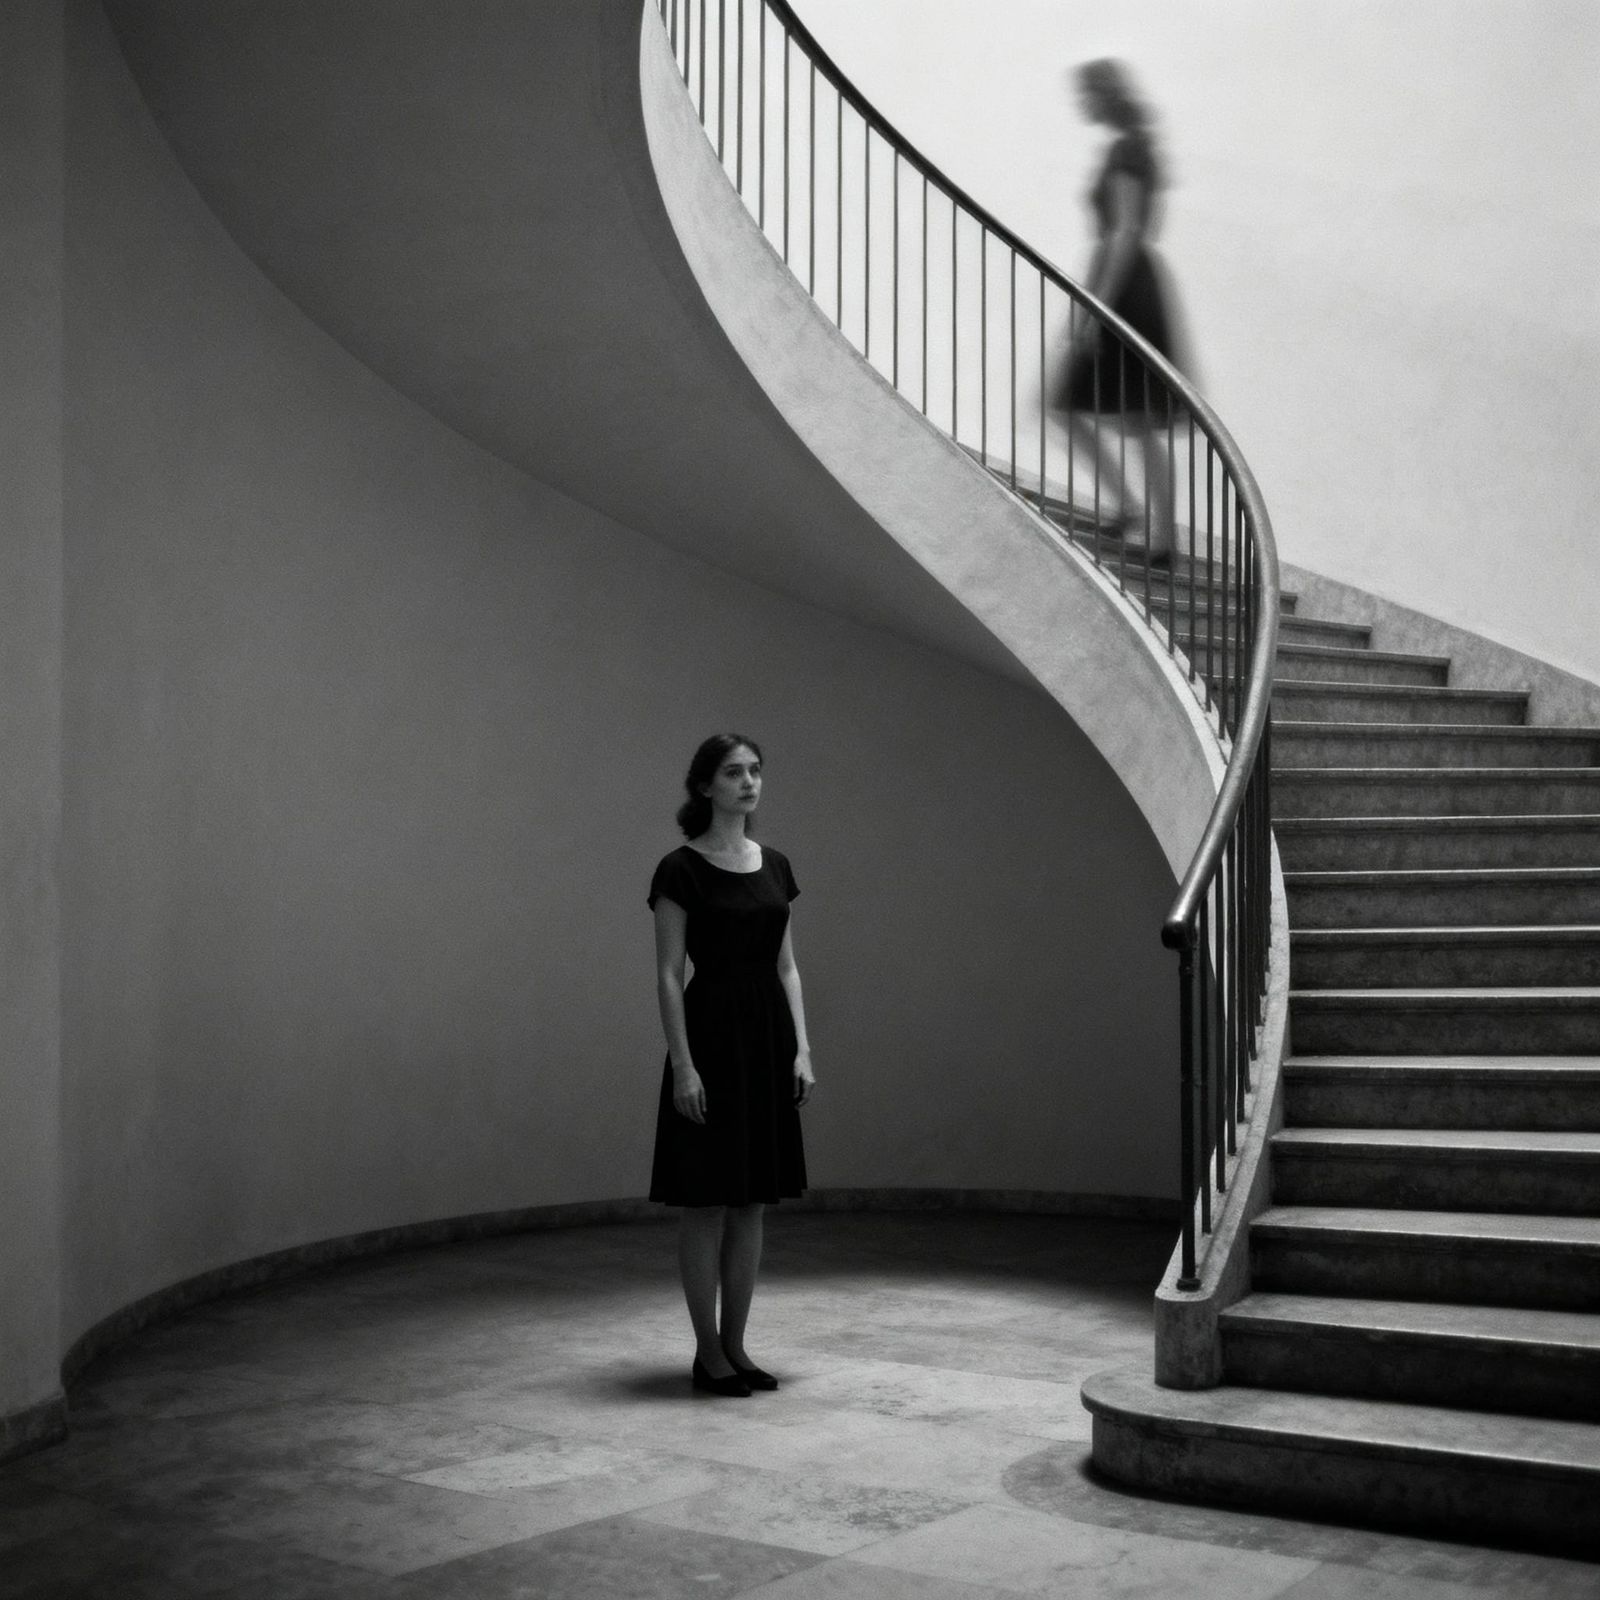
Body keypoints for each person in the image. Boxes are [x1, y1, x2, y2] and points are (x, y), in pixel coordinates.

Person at [647, 733, 815, 1397]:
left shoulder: (774, 865)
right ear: (705, 787)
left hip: (767, 1037)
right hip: (711, 1035)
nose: (749, 782)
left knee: (751, 1204)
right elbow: (667, 973)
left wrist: (802, 1047)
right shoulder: (679, 870)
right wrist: (684, 1065)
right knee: (706, 1203)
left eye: (755, 772)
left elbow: (788, 964)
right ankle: (707, 1352)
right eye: (733, 772)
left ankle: (738, 1347)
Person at [1058, 57, 1183, 561]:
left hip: (1125, 287)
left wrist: (1095, 309)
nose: (1081, 103)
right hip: (1129, 282)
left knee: (1107, 412)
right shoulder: (1135, 147)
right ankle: (1144, 521)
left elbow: (1126, 232)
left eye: (1086, 93)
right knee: (1128, 416)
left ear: (1104, 94)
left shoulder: (1127, 150)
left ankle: (1149, 526)